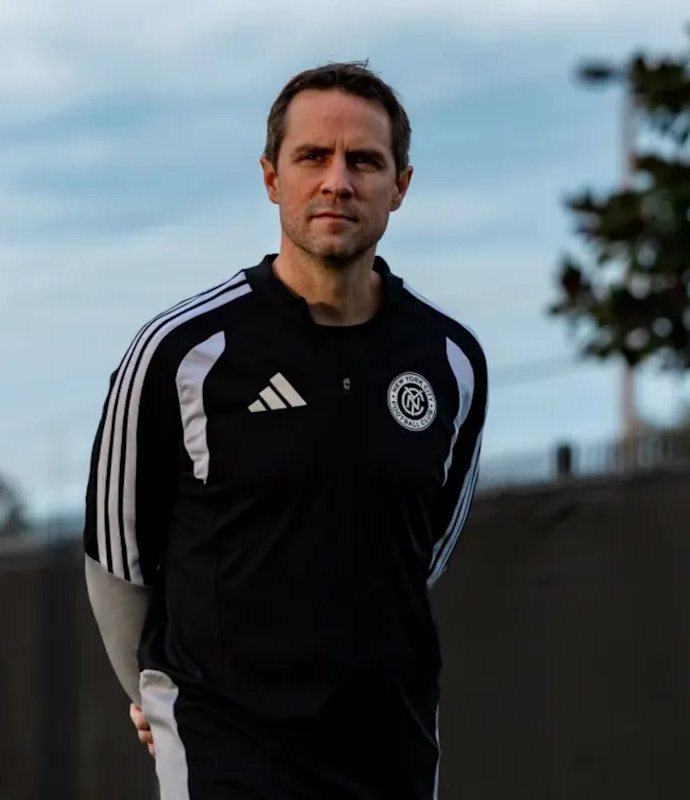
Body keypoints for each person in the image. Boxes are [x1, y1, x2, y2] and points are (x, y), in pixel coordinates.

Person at [82, 60, 488, 799]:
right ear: (272, 178)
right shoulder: (181, 351)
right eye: (313, 157)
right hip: (224, 741)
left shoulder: (451, 361)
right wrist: (152, 692)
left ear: (400, 186)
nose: (338, 181)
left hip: (390, 741)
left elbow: (421, 550)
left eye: (364, 161)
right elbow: (116, 554)